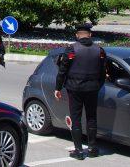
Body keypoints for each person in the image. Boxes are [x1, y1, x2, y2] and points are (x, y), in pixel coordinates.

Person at [54, 22, 107, 160]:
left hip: (74, 89)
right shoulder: (100, 50)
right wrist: (97, 86)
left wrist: (58, 88)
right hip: (92, 89)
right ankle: (92, 148)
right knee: (91, 117)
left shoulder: (71, 49)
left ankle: (78, 151)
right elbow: (103, 73)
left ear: (77, 35)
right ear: (90, 34)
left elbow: (62, 71)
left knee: (76, 118)